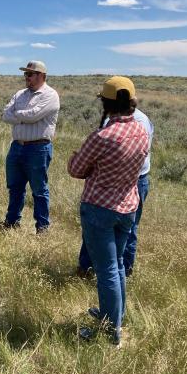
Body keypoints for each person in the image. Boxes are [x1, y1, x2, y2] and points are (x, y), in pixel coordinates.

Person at [68, 76, 149, 346]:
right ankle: (115, 315)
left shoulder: (102, 136)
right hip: (127, 205)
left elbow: (76, 170)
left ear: (106, 103)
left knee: (106, 271)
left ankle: (110, 330)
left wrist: (75, 157)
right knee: (116, 268)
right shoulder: (141, 131)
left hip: (99, 208)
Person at [77, 107, 154, 278]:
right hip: (129, 180)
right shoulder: (125, 122)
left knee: (123, 230)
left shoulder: (139, 121)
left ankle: (122, 270)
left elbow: (78, 167)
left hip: (132, 180)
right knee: (107, 229)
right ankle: (92, 268)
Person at [1, 60, 60, 234]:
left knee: (39, 190)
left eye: (30, 74)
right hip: (17, 146)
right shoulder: (20, 94)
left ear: (42, 76)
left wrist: (17, 115)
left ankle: (42, 228)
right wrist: (23, 116)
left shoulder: (50, 95)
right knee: (15, 187)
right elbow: (5, 115)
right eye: (25, 74)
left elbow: (34, 116)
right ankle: (11, 222)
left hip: (38, 148)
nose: (26, 77)